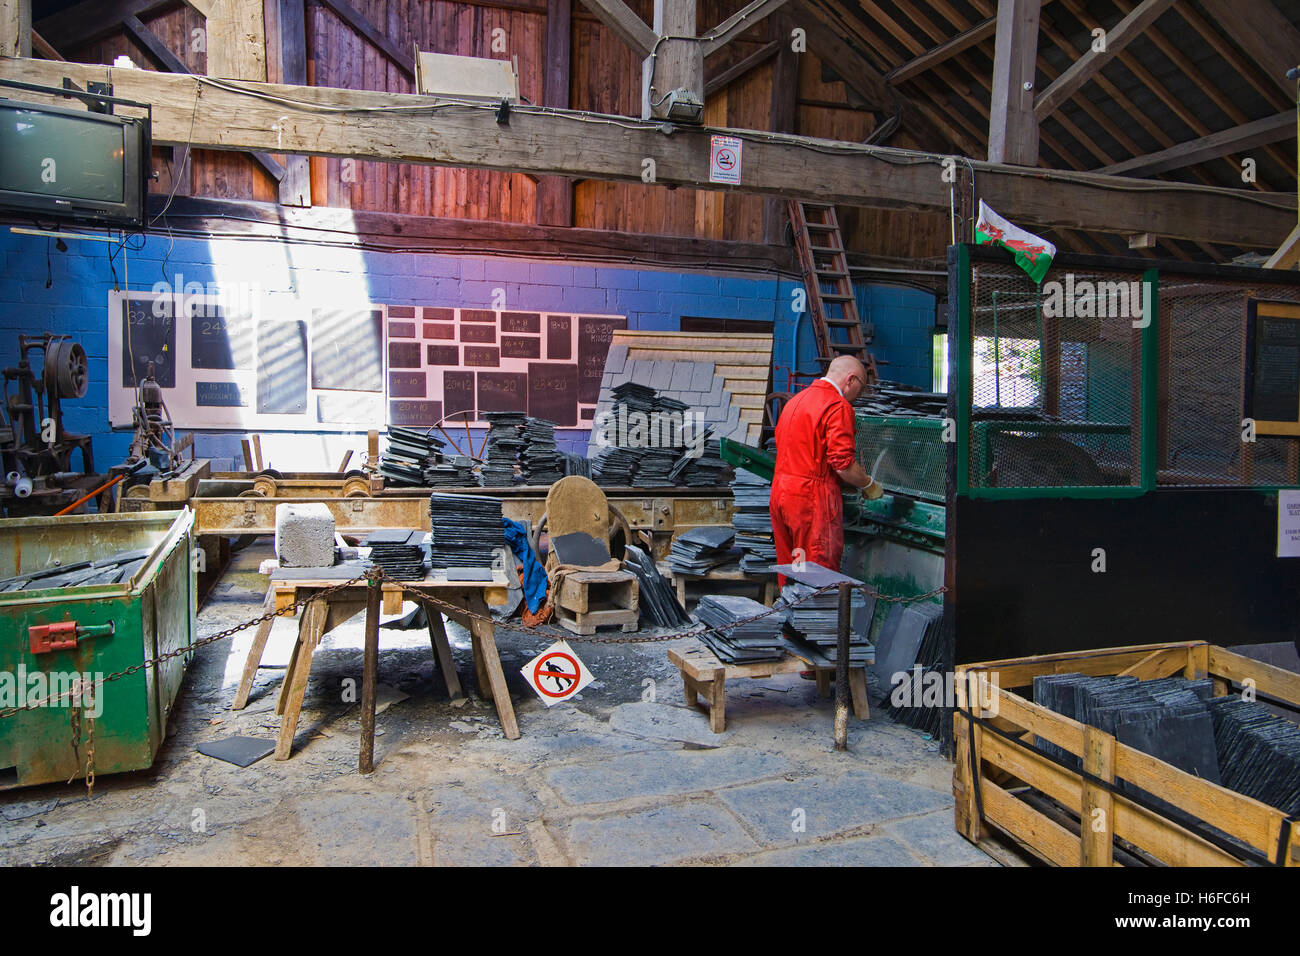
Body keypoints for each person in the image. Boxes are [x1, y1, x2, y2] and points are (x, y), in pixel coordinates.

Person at [770, 355, 883, 587]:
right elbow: (842, 465)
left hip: (781, 495)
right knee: (818, 574)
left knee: (792, 569)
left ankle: (790, 620)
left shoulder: (795, 401)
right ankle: (817, 624)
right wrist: (868, 484)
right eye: (860, 389)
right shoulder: (837, 406)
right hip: (811, 501)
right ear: (851, 380)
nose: (857, 396)